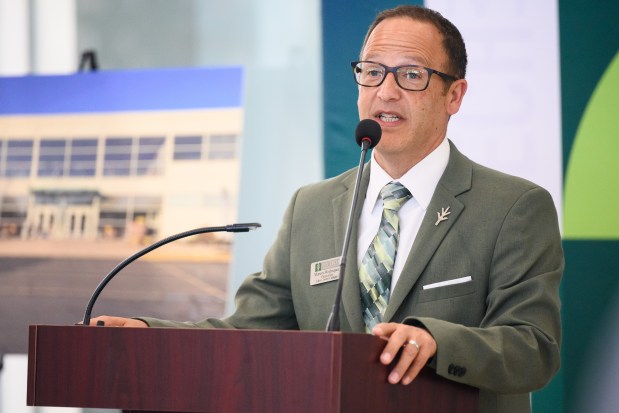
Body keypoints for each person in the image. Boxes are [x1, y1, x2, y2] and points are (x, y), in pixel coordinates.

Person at [91, 5, 563, 413]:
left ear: (454, 95)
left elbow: (533, 348)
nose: (386, 91)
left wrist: (437, 342)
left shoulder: (513, 207)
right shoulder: (312, 208)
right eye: (372, 71)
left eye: (411, 75)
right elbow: (249, 330)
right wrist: (147, 333)